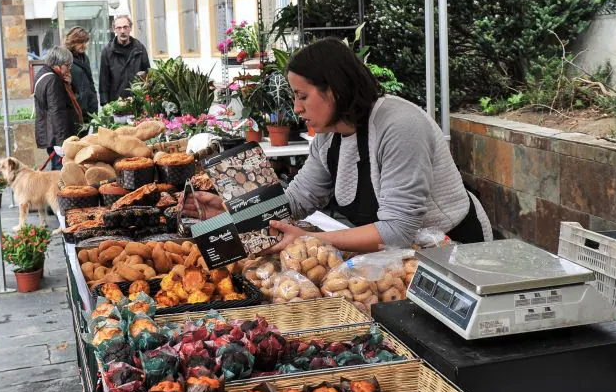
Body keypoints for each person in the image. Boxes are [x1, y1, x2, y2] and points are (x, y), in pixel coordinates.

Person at [187, 38, 491, 253]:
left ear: (333, 91)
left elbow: (398, 231)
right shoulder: (328, 137)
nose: (297, 108)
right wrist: (229, 211)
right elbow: (297, 201)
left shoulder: (399, 126)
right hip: (400, 258)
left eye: (302, 96)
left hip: (457, 253)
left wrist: (314, 239)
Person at [35, 45, 83, 170]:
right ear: (58, 64)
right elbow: (57, 111)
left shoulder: (43, 73)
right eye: (67, 65)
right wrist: (61, 143)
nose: (69, 69)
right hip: (58, 138)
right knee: (61, 174)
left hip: (52, 135)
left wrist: (68, 84)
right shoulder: (53, 80)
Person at [99, 14, 149, 105]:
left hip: (137, 102)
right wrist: (105, 103)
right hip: (116, 102)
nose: (122, 31)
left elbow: (148, 75)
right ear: (114, 30)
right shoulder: (107, 51)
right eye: (119, 28)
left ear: (130, 28)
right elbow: (104, 80)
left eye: (125, 27)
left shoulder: (140, 49)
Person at [64, 26, 98, 121]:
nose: (83, 45)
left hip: (89, 107)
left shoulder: (84, 58)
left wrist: (94, 101)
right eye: (80, 42)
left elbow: (90, 82)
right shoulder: (65, 59)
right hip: (75, 110)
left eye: (85, 42)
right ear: (72, 42)